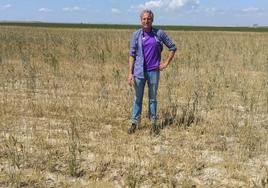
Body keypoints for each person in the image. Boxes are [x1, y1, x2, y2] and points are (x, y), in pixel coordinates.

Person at [127, 9, 177, 135]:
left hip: (154, 71)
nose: (146, 21)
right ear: (141, 20)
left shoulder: (159, 33)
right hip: (139, 72)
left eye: (148, 18)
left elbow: (172, 47)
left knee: (153, 98)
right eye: (144, 19)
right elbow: (132, 54)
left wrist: (165, 63)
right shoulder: (136, 35)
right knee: (138, 98)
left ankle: (153, 123)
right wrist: (130, 73)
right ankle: (134, 123)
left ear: (152, 20)